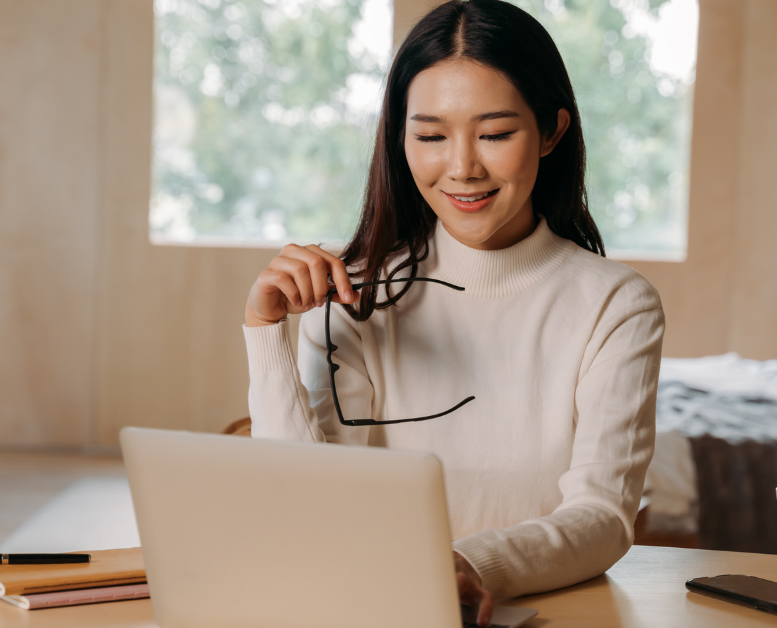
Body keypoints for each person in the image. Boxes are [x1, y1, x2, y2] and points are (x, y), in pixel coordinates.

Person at [242, 0, 663, 624]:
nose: (462, 167)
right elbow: (304, 499)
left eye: (495, 134)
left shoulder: (615, 304)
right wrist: (264, 332)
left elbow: (602, 518)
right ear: (400, 139)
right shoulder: (353, 293)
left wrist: (462, 565)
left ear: (551, 132)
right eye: (431, 136)